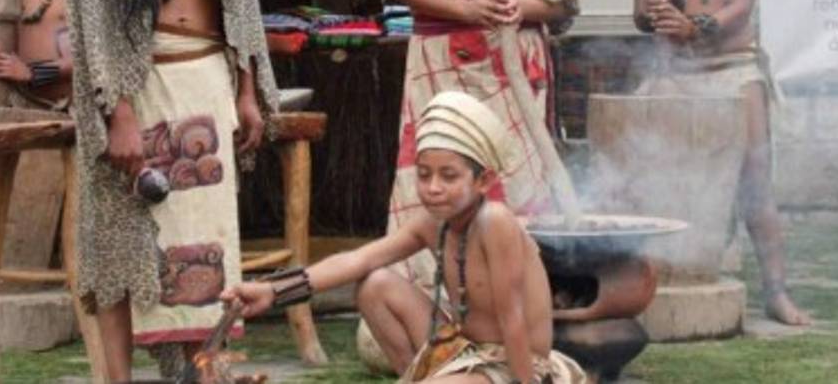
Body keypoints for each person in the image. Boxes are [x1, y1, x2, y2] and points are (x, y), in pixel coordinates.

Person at [64, 0, 277, 379]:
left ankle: (203, 372)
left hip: (207, 80)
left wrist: (246, 89)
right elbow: (93, 16)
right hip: (135, 84)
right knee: (122, 242)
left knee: (206, 241)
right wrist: (118, 112)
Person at [224, 91, 586, 383]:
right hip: (465, 351)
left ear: (483, 180)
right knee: (374, 284)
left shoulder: (496, 222)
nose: (433, 187)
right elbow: (358, 260)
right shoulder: (433, 223)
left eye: (448, 176)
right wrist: (273, 290)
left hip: (515, 365)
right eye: (424, 174)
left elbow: (513, 319)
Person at [375, 0, 582, 285]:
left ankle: (517, 284)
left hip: (517, 66)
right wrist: (467, 10)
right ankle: (429, 284)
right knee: (441, 166)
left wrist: (521, 8)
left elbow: (566, 1)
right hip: (444, 65)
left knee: (518, 170)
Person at [633, 0, 810, 326]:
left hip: (734, 68)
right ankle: (657, 282)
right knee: (653, 173)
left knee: (755, 181)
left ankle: (776, 291)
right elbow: (641, 18)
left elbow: (740, 7)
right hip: (675, 73)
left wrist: (694, 26)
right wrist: (655, 3)